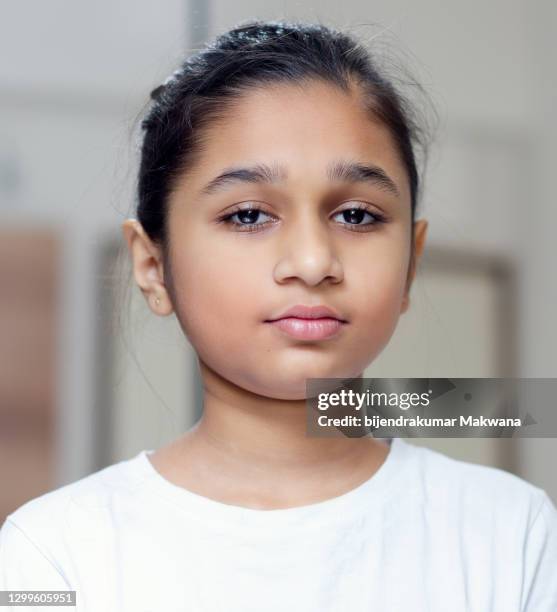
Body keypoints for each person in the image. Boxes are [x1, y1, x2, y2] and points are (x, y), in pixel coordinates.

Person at [1, 19, 556, 612]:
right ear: (153, 267)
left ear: (411, 264)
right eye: (247, 216)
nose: (314, 262)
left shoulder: (513, 534)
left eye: (358, 216)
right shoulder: (52, 556)